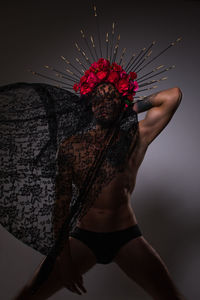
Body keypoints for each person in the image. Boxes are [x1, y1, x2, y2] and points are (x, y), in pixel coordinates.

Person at [13, 81, 186, 300]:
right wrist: (64, 260)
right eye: (98, 99)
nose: (104, 104)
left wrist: (131, 109)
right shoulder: (72, 147)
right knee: (28, 294)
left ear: (121, 102)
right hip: (84, 237)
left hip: (126, 236)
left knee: (172, 297)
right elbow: (61, 206)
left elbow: (173, 95)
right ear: (90, 105)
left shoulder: (135, 137)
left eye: (111, 98)